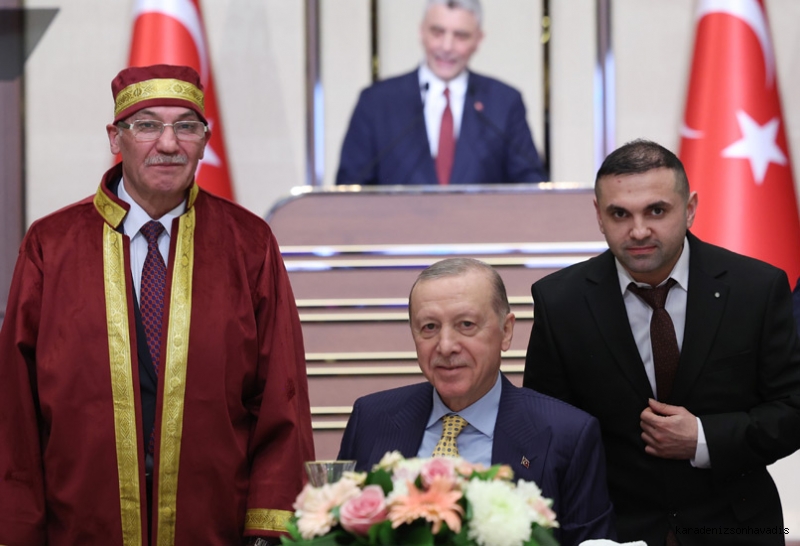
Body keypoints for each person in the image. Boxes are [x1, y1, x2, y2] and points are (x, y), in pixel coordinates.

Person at [0, 64, 314, 546]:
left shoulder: (249, 244)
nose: (168, 144)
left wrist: (266, 531)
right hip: (80, 528)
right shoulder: (51, 245)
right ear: (115, 137)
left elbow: (281, 400)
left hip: (213, 528)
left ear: (205, 142)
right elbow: (15, 412)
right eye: (146, 125)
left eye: (186, 127)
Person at [523, 139, 800, 545]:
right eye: (620, 214)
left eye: (656, 210)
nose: (638, 231)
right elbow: (545, 430)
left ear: (690, 208)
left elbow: (792, 410)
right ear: (599, 216)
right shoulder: (560, 301)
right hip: (611, 531)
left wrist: (703, 438)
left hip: (736, 527)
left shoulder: (756, 288)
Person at [338, 258, 616, 545]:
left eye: (466, 325)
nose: (446, 346)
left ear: (506, 331)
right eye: (430, 327)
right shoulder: (371, 419)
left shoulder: (566, 435)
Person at [336, 0, 547, 186]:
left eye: (461, 36)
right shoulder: (376, 102)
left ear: (478, 40)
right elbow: (349, 187)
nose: (447, 47)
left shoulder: (504, 102)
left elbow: (532, 185)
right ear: (421, 32)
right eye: (437, 33)